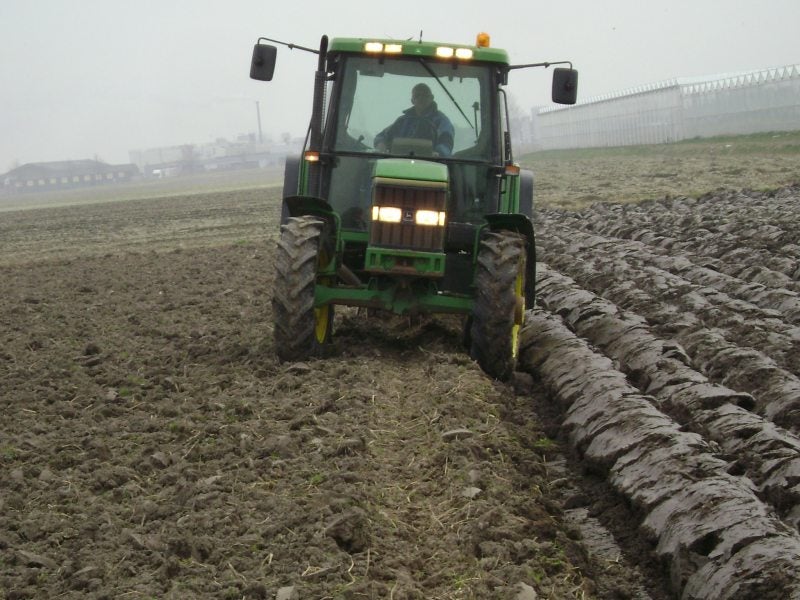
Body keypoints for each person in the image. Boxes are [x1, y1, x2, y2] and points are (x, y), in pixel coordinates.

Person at [374, 83, 454, 156]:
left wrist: (438, 153)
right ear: (412, 100)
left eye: (425, 95)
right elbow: (381, 136)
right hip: (399, 162)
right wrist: (381, 144)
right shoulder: (402, 121)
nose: (421, 98)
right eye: (417, 96)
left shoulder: (441, 121)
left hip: (432, 164)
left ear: (432, 98)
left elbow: (446, 142)